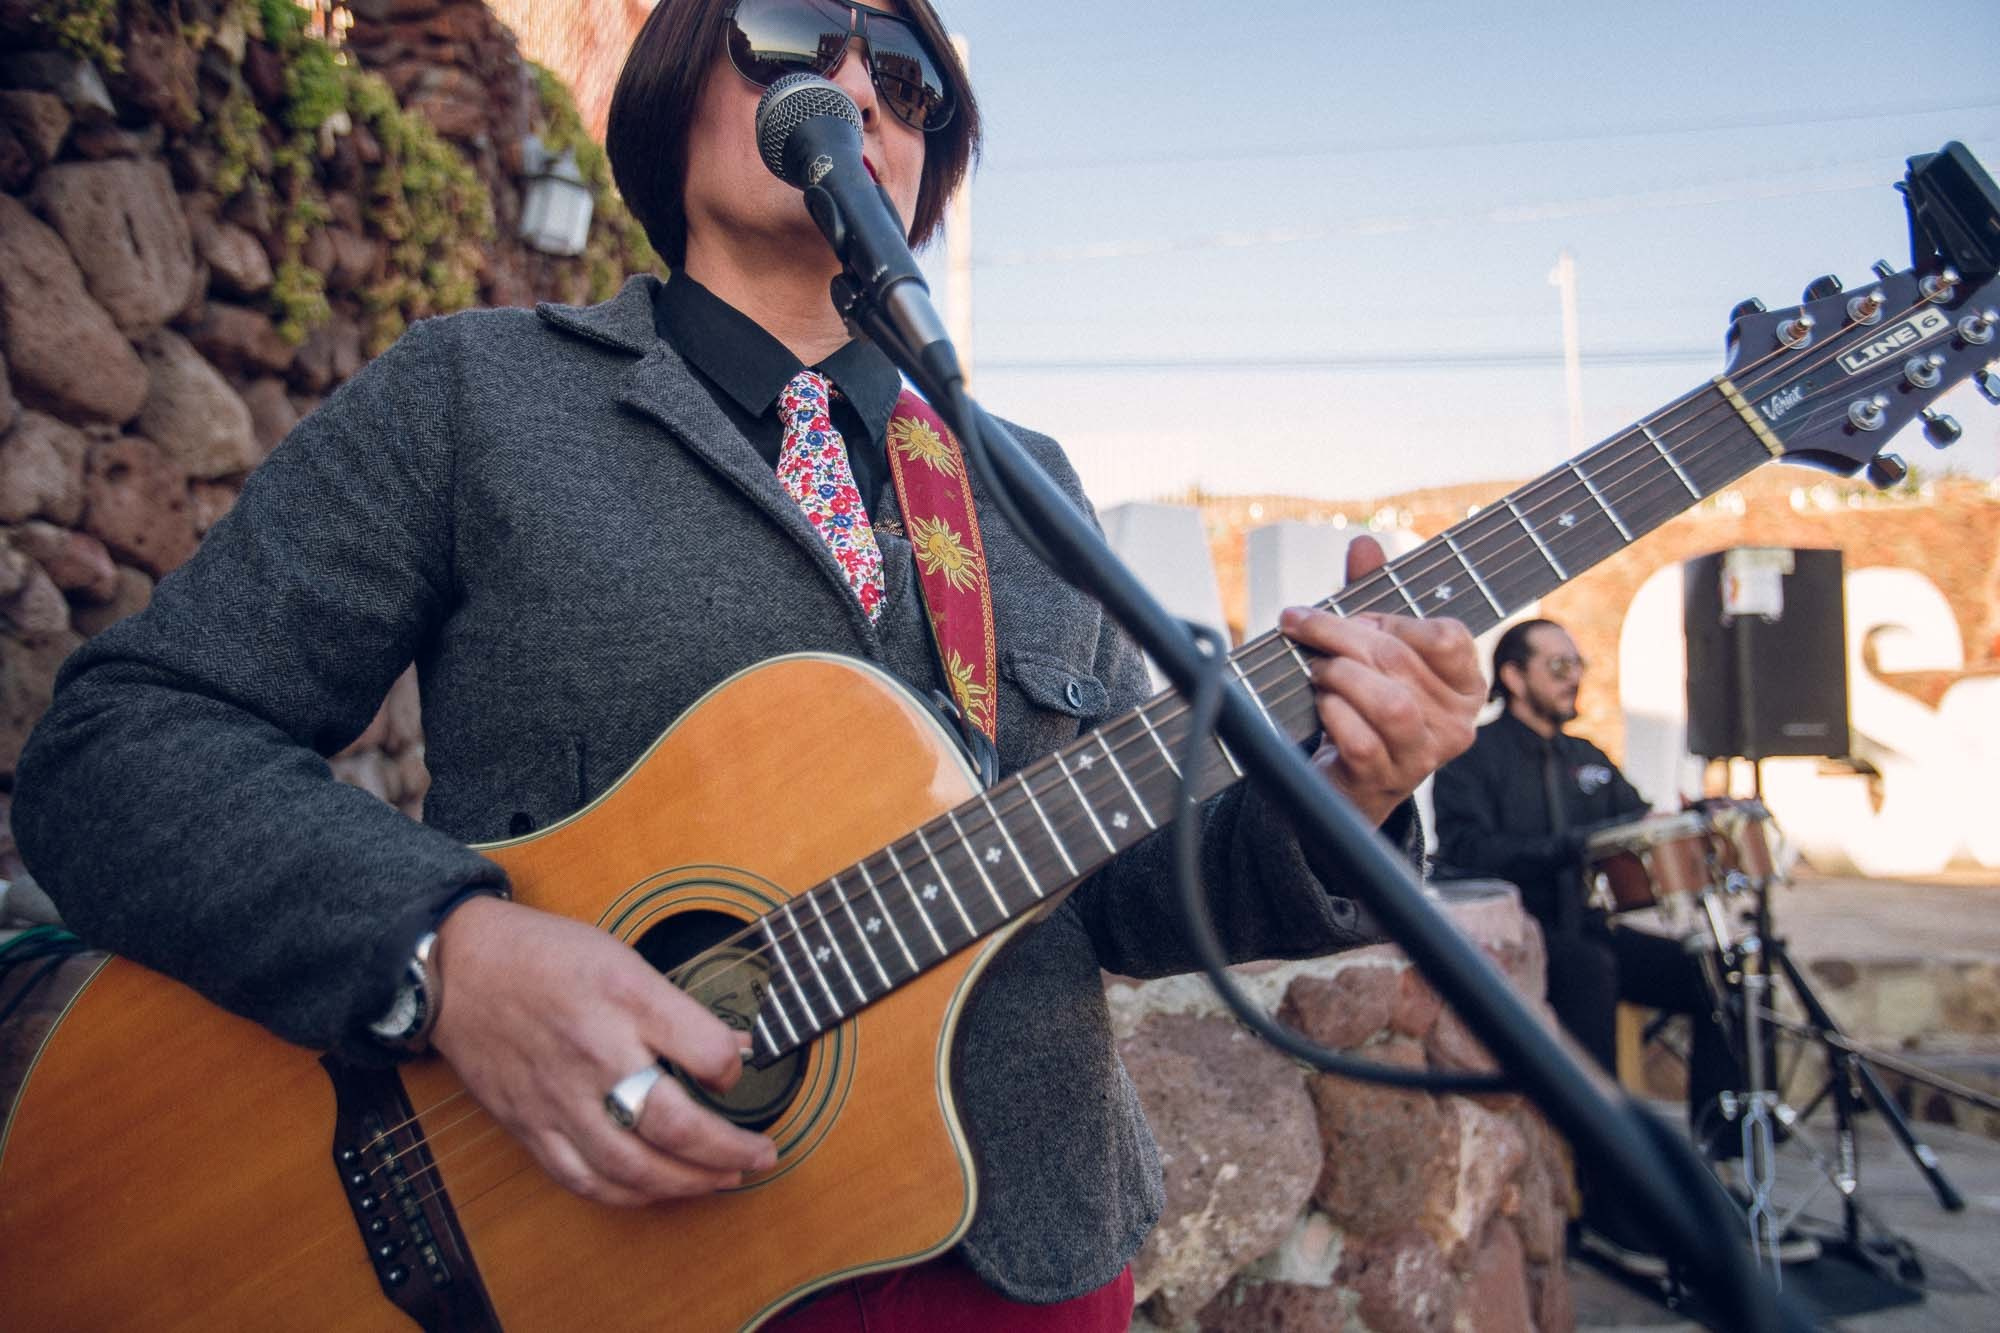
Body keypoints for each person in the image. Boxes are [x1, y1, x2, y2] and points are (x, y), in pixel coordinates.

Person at [14, 0, 1485, 1327]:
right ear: (672, 79)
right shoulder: (478, 396)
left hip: (1018, 1255)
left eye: (907, 75)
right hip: (576, 1262)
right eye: (793, 30)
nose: (856, 81)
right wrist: (445, 956)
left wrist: (1340, 791)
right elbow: (120, 747)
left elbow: (1111, 892)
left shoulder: (1021, 481)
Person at [1431, 617, 1805, 1277]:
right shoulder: (1473, 756)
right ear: (1513, 676)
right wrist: (1571, 846)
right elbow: (1469, 853)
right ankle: (1608, 1205)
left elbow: (1636, 822)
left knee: (1713, 970)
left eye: (1577, 664)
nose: (1573, 676)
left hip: (1590, 930)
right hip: (1520, 938)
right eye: (1558, 665)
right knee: (1590, 970)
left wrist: (1693, 817)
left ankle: (1718, 1169)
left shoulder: (1588, 759)